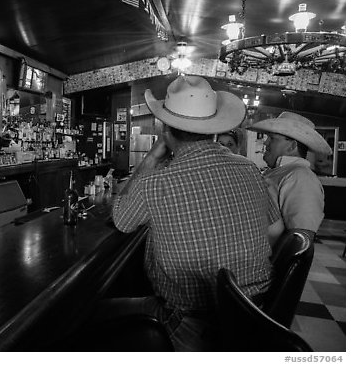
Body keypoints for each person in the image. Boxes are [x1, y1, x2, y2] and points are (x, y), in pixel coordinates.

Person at [108, 75, 280, 351]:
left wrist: (151, 158)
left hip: (193, 326)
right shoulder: (250, 169)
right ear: (214, 128)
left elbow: (122, 220)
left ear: (165, 130)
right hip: (255, 317)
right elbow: (273, 225)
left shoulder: (157, 181)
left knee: (96, 314)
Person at [248, 111, 332, 244]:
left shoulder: (301, 178)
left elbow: (301, 239)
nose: (266, 143)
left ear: (292, 146)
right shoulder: (285, 173)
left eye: (273, 138)